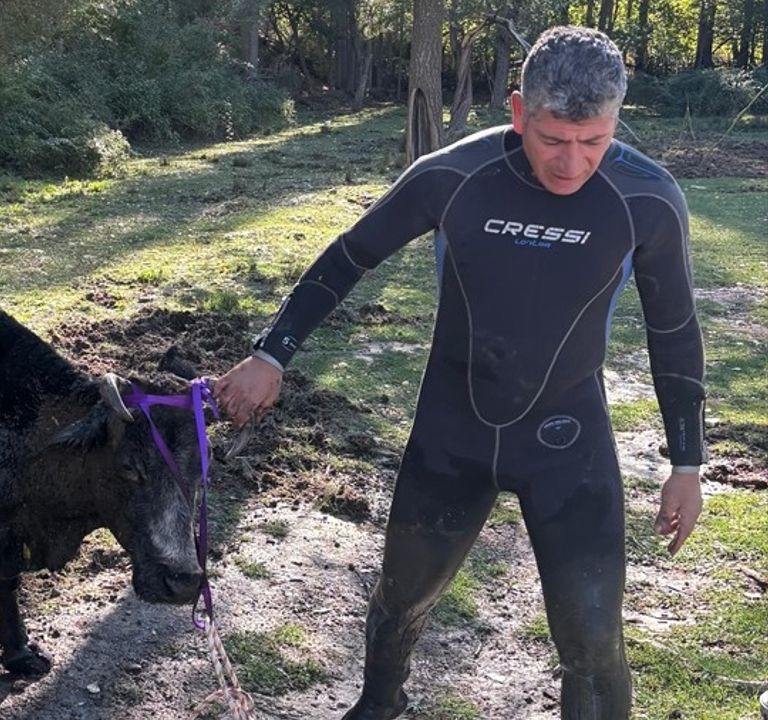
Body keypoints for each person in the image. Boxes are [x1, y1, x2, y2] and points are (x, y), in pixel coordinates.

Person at [214, 26, 706, 720]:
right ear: (517, 113)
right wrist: (271, 355)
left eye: (592, 142)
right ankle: (380, 705)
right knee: (402, 596)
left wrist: (688, 461)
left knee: (593, 641)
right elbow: (349, 255)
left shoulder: (647, 198)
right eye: (551, 139)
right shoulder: (454, 175)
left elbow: (675, 331)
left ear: (616, 122)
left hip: (569, 444)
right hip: (453, 435)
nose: (571, 164)